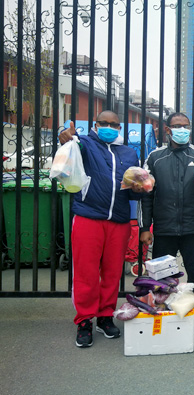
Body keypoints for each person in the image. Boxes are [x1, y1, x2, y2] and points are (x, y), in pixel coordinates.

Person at [58, 110, 144, 348]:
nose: (109, 127)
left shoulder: (129, 153)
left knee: (113, 272)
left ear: (120, 128)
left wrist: (139, 188)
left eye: (114, 124)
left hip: (119, 220)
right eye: (103, 123)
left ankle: (105, 316)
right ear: (95, 125)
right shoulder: (84, 144)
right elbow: (68, 144)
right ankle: (84, 320)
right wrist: (64, 137)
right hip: (88, 216)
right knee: (85, 272)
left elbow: (133, 189)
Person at [139, 112, 194, 335]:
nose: (182, 130)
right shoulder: (155, 157)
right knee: (162, 275)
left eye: (185, 126)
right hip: (164, 228)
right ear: (167, 129)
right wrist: (145, 227)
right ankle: (162, 312)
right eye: (177, 126)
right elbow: (146, 194)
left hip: (193, 227)